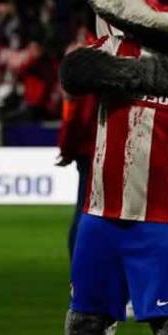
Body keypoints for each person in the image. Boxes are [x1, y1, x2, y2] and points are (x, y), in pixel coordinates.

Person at [57, 90, 98, 258]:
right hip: (113, 152)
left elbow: (74, 119)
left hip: (89, 154)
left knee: (84, 209)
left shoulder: (85, 83)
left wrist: (67, 150)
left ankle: (79, 264)